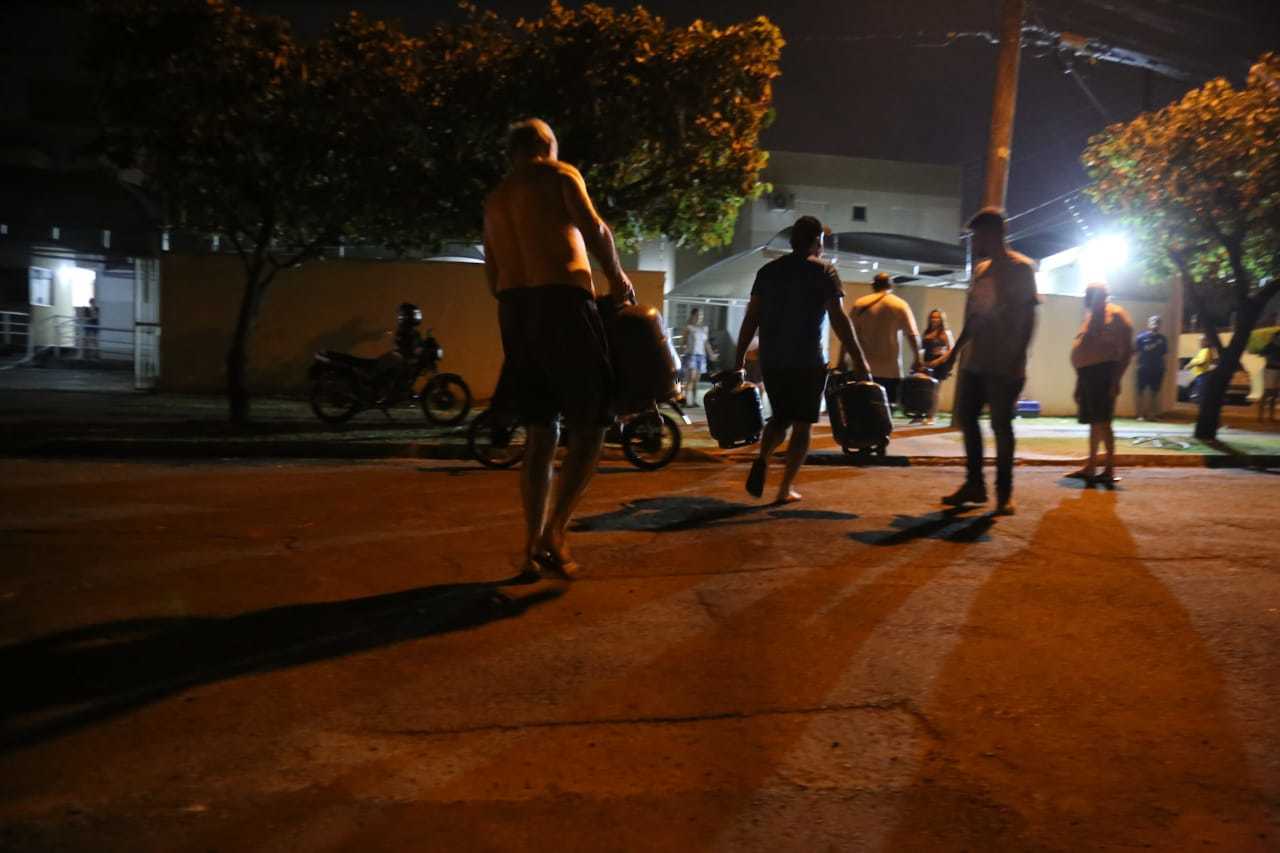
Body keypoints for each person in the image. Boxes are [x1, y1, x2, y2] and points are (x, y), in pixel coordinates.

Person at [483, 118, 634, 578]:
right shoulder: (558, 174)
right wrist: (617, 277)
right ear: (547, 145)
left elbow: (492, 275)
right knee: (591, 425)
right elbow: (596, 230)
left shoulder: (494, 199)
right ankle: (556, 532)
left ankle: (530, 546)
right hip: (563, 304)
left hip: (515, 311)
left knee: (541, 432)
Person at [733, 215, 870, 504]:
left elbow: (752, 318)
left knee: (780, 417)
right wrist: (859, 360)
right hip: (807, 360)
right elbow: (838, 319)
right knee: (803, 424)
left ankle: (763, 457)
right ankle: (784, 489)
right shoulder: (824, 271)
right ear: (816, 241)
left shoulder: (767, 272)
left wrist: (739, 358)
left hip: (773, 360)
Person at [930, 208, 1040, 516]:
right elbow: (976, 317)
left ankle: (1004, 494)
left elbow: (1030, 318)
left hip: (1005, 364)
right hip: (978, 362)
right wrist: (953, 355)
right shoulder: (982, 271)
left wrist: (1018, 359)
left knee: (1001, 426)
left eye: (977, 235)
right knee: (967, 418)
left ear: (993, 234)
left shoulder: (1022, 269)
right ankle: (975, 484)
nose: (973, 241)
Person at [1067, 283, 1134, 485]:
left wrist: (1116, 380)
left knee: (1104, 422)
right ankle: (1091, 466)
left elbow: (1127, 352)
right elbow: (1084, 350)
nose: (1092, 298)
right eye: (1089, 295)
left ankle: (1109, 469)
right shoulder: (1090, 316)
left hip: (1104, 374)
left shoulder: (1117, 314)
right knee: (1094, 423)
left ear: (1104, 296)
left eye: (1096, 295)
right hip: (1087, 375)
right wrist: (1079, 383)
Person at [845, 271, 922, 412]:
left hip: (862, 367)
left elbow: (848, 335)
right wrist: (917, 358)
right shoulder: (900, 305)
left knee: (862, 408)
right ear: (890, 285)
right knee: (885, 411)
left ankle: (862, 433)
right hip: (890, 369)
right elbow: (912, 334)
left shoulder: (860, 304)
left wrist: (841, 360)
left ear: (873, 285)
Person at [920, 308, 954, 425]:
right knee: (925, 390)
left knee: (935, 390)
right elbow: (922, 348)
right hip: (927, 362)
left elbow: (951, 350)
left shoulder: (946, 333)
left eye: (937, 317)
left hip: (939, 364)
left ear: (941, 319)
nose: (934, 320)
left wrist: (938, 361)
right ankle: (921, 414)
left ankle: (932, 416)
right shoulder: (926, 332)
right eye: (932, 317)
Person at [1134, 315, 1168, 420]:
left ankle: (1152, 415)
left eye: (1158, 322)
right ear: (1148, 324)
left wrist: (1163, 367)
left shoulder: (1163, 339)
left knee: (1154, 392)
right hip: (1143, 368)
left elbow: (1164, 354)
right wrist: (1137, 366)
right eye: (1153, 321)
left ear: (1160, 325)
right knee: (1140, 391)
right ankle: (1140, 414)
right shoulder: (1140, 338)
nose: (1155, 323)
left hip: (1157, 369)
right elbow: (1136, 353)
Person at [681, 307, 716, 406]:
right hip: (691, 355)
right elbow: (683, 342)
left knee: (696, 380)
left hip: (701, 356)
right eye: (697, 315)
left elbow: (706, 343)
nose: (699, 317)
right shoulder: (688, 328)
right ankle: (686, 401)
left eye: (701, 315)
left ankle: (694, 401)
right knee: (690, 378)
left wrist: (711, 354)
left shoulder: (704, 329)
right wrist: (682, 351)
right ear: (692, 316)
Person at [1186, 335, 1217, 401]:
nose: (1200, 343)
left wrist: (1191, 364)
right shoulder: (1204, 350)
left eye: (1202, 341)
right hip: (1200, 373)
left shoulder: (1206, 350)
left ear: (1206, 342)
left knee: (1200, 388)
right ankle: (1198, 398)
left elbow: (1201, 360)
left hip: (1202, 373)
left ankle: (1198, 399)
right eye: (1200, 341)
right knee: (1200, 387)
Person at [1260, 330, 1280, 422]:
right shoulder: (1270, 346)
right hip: (1270, 370)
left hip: (1277, 370)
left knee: (1275, 393)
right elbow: (1261, 353)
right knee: (1268, 392)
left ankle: (1270, 416)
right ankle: (1261, 415)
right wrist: (1270, 358)